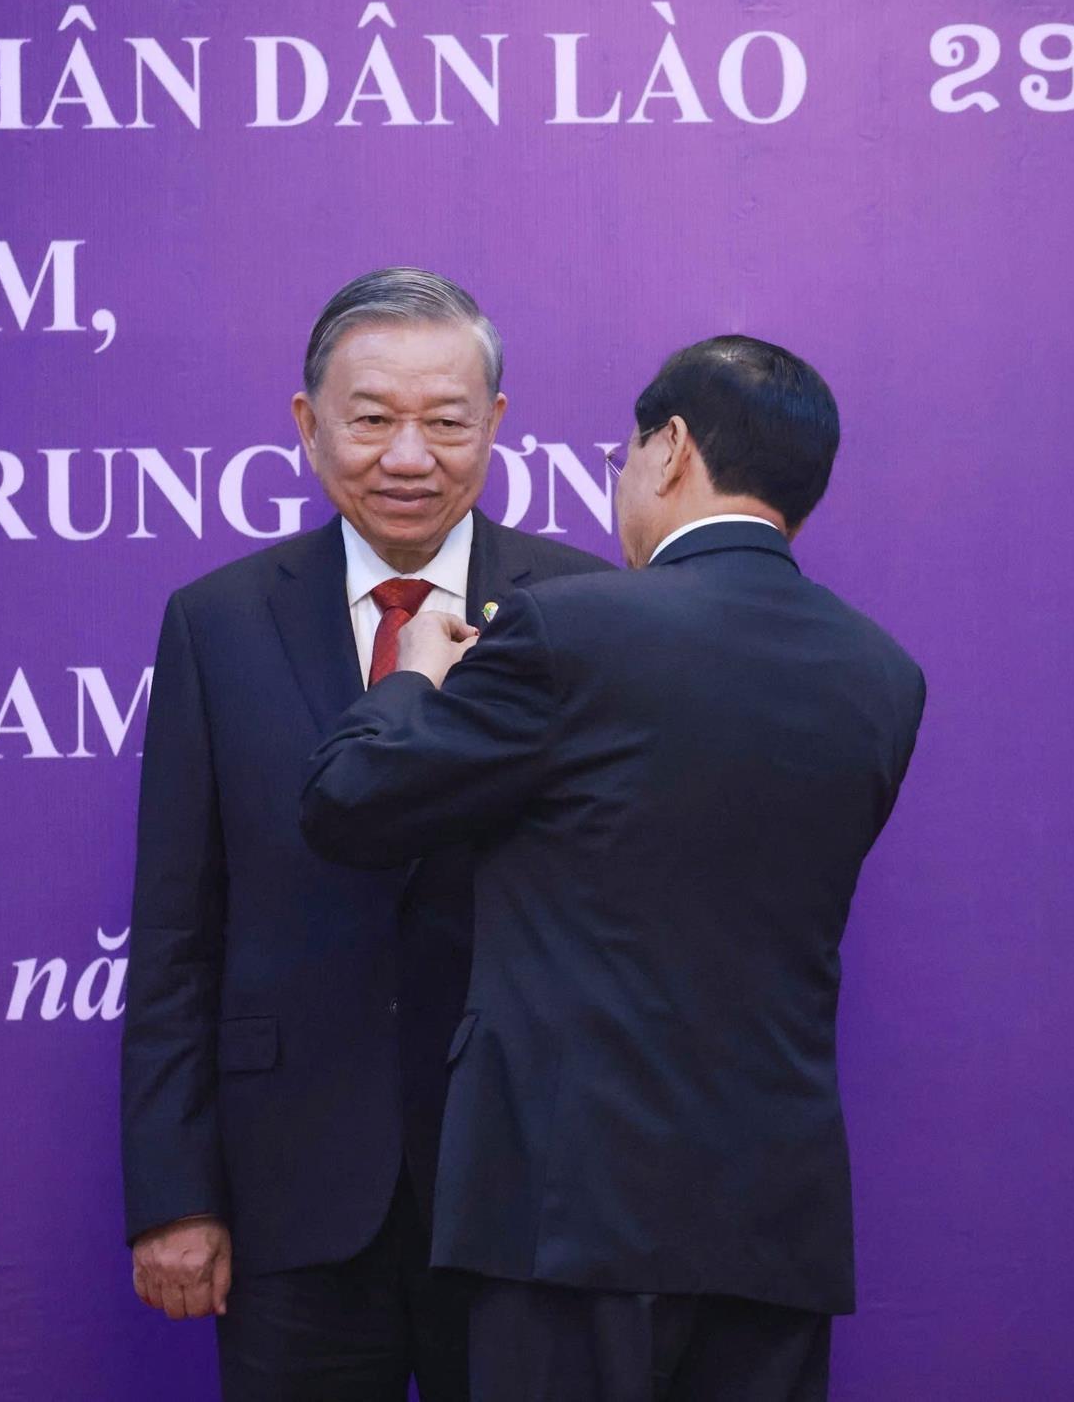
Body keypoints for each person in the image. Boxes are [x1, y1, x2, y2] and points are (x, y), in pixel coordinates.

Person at [301, 335, 927, 1402]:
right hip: (773, 1228)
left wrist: (415, 677)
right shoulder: (884, 674)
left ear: (669, 448)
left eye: (624, 455)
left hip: (572, 1217)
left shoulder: (572, 628)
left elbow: (350, 803)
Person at [120, 268, 609, 1401]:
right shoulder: (218, 622)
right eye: (374, 419)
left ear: (496, 423)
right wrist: (174, 1194)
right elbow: (177, 930)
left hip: (527, 1189)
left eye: (447, 422)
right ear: (308, 424)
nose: (409, 457)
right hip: (291, 1188)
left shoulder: (585, 609)